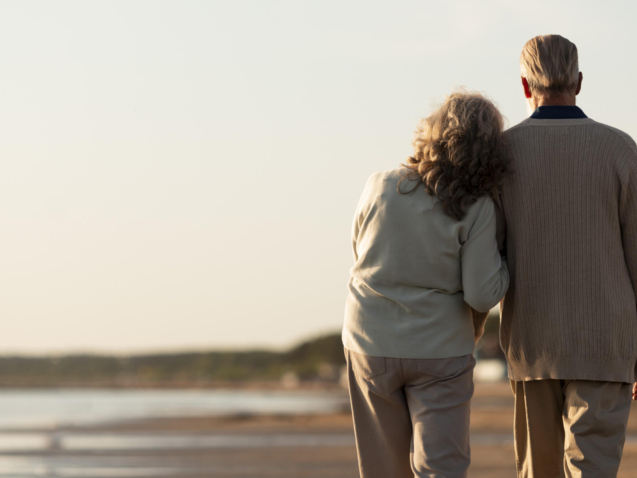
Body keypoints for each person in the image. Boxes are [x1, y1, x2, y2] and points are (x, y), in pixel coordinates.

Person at [342, 90, 510, 478]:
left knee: (382, 468)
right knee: (441, 468)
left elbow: (359, 251)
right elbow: (482, 293)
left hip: (370, 342)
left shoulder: (379, 185)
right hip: (440, 350)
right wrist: (506, 263)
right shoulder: (477, 206)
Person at [500, 34, 637, 478]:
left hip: (532, 343)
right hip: (606, 342)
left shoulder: (501, 154)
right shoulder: (621, 149)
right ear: (579, 81)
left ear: (525, 86)